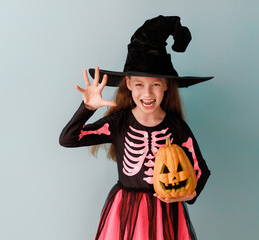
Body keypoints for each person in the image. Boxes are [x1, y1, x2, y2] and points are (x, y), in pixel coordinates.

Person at [59, 15, 213, 240]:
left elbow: (201, 171)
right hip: (125, 213)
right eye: (139, 84)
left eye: (156, 85)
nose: (147, 93)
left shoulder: (176, 127)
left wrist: (185, 196)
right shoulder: (118, 123)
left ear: (166, 86)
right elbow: (69, 138)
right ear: (128, 84)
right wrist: (87, 108)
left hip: (166, 214)